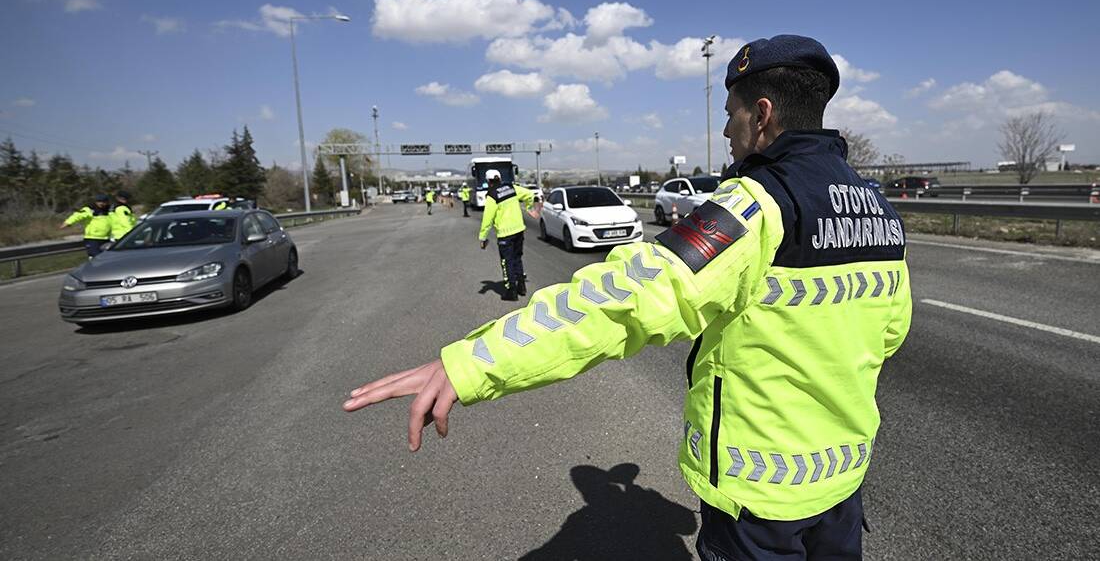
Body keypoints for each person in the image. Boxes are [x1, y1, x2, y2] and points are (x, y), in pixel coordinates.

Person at [343, 35, 913, 560]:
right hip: (843, 484)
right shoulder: (878, 209)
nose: (724, 133)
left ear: (761, 115)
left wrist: (472, 363)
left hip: (759, 500)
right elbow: (889, 335)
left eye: (730, 115)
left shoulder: (754, 205)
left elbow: (623, 301)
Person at [477, 170, 536, 301]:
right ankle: (522, 287)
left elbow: (487, 219)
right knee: (517, 258)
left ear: (488, 181)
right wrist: (529, 207)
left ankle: (512, 292)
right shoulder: (511, 187)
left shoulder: (492, 195)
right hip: (519, 230)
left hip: (505, 234)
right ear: (500, 178)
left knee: (507, 262)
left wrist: (483, 237)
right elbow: (529, 194)